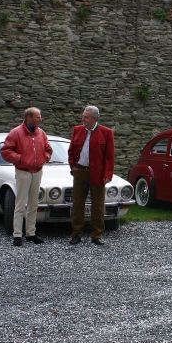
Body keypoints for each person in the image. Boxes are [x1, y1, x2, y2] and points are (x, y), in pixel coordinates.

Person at [0, 107, 52, 246]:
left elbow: (48, 149)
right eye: (37, 117)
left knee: (34, 203)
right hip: (23, 171)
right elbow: (5, 151)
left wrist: (44, 158)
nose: (40, 119)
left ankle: (31, 233)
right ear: (29, 118)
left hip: (37, 171)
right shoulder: (16, 132)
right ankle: (17, 234)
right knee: (20, 203)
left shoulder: (41, 133)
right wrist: (21, 159)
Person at [67, 105, 115, 246]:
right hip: (80, 171)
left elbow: (109, 156)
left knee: (98, 205)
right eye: (83, 116)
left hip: (98, 173)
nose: (83, 119)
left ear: (95, 118)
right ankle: (76, 234)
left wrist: (107, 174)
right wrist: (73, 166)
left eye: (85, 117)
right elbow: (71, 150)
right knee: (77, 204)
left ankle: (97, 235)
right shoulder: (77, 130)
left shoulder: (106, 133)